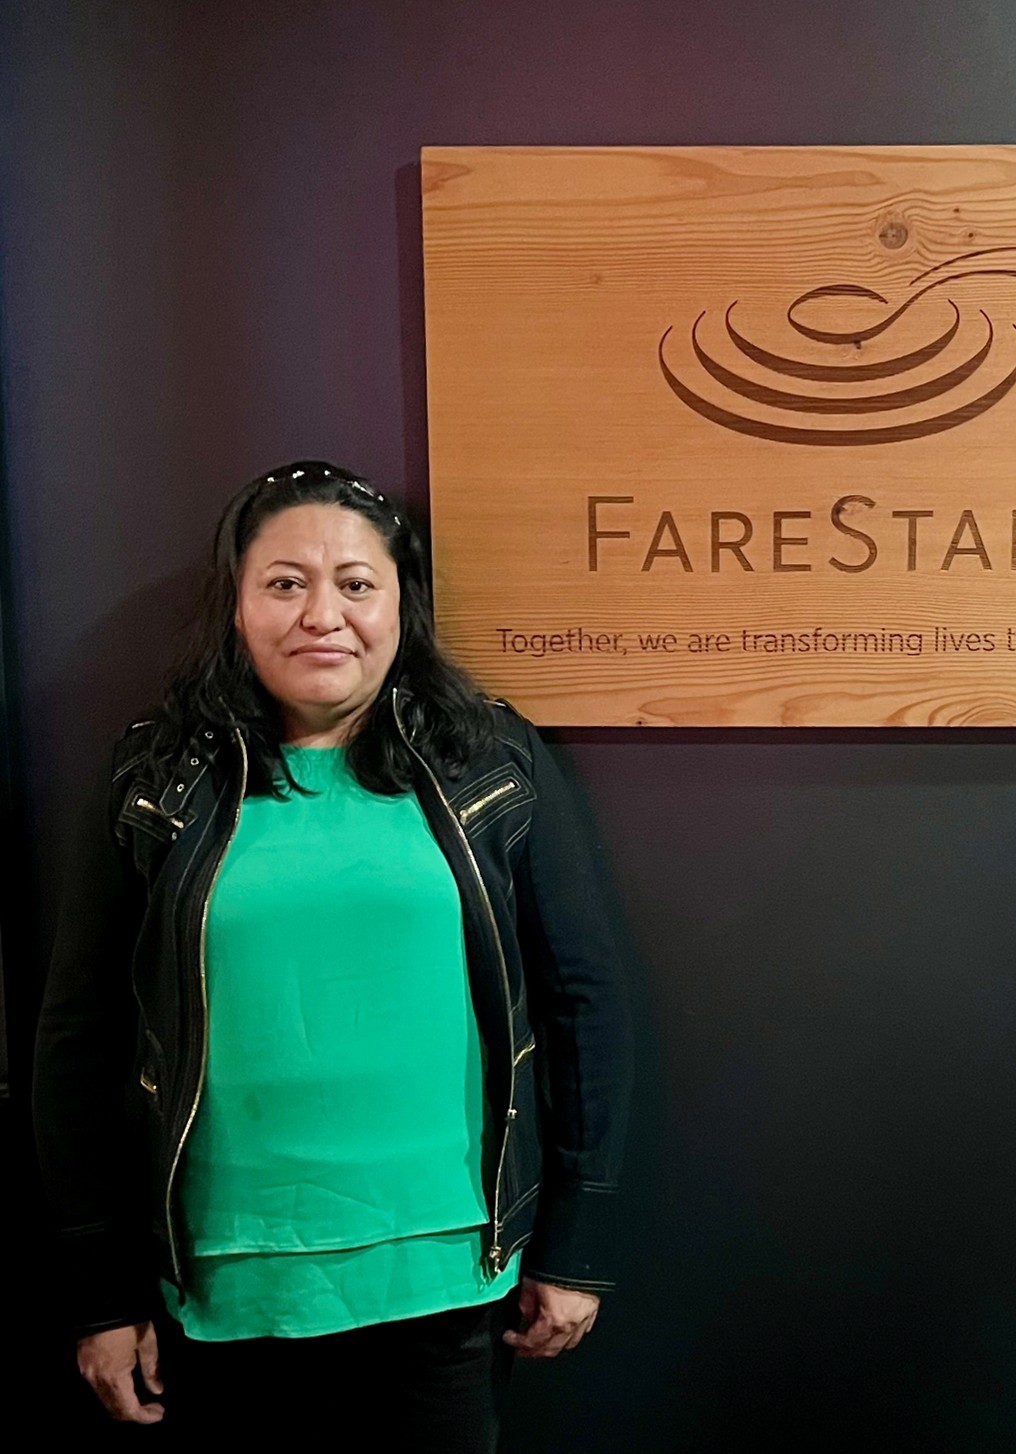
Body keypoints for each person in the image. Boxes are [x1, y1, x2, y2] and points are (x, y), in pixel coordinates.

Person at [32, 461, 633, 1449]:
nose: (324, 613)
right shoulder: (155, 777)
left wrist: (578, 1243)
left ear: (402, 606)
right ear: (235, 606)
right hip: (222, 1284)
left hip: (444, 1277)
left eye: (357, 583)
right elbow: (76, 1036)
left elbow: (586, 1003)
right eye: (284, 582)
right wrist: (99, 1288)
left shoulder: (490, 760)